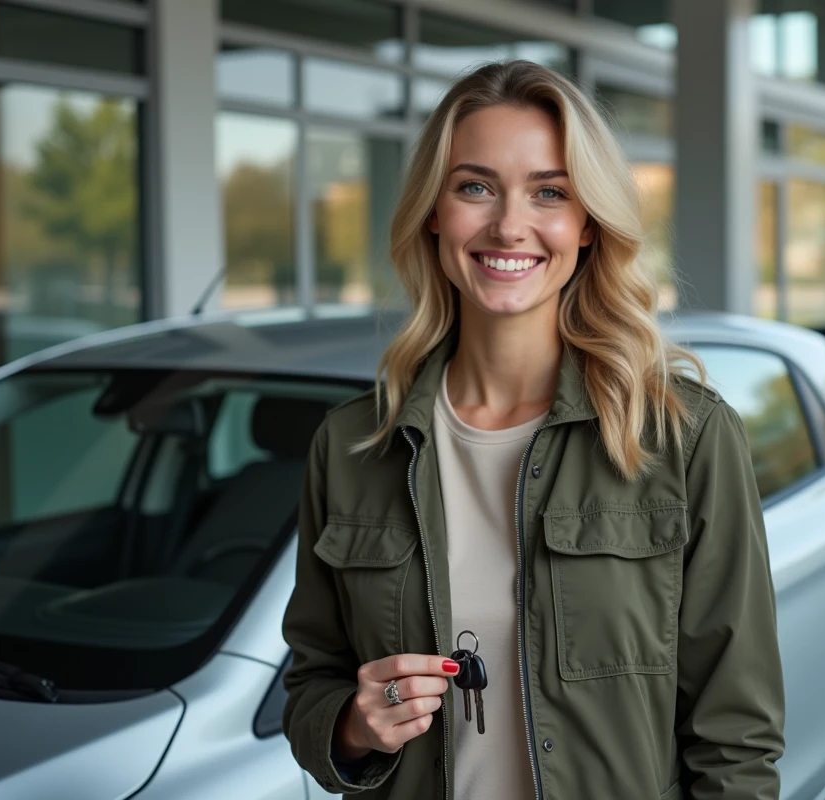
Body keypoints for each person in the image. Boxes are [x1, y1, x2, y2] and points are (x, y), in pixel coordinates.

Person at [282, 59, 785, 800]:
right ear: (433, 211)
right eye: (475, 187)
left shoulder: (684, 438)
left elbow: (736, 739)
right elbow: (310, 686)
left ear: (586, 224)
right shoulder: (353, 446)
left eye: (549, 192)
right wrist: (355, 726)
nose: (509, 224)